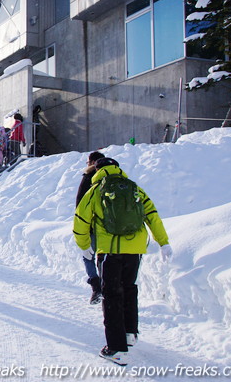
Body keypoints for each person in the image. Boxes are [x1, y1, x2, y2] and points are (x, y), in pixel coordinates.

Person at [74, 157, 172, 366]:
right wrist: (163, 242)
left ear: (97, 170)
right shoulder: (133, 188)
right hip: (135, 250)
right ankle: (130, 333)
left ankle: (116, 349)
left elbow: (81, 220)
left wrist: (84, 246)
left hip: (109, 251)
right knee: (129, 288)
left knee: (111, 296)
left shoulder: (96, 190)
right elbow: (152, 214)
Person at [75, 151, 106, 304]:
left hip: (92, 226)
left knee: (88, 257)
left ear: (93, 162)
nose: (86, 165)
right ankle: (106, 284)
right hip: (108, 228)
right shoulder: (110, 179)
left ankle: (96, 286)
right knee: (104, 257)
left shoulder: (88, 178)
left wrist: (82, 229)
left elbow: (80, 205)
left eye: (88, 162)